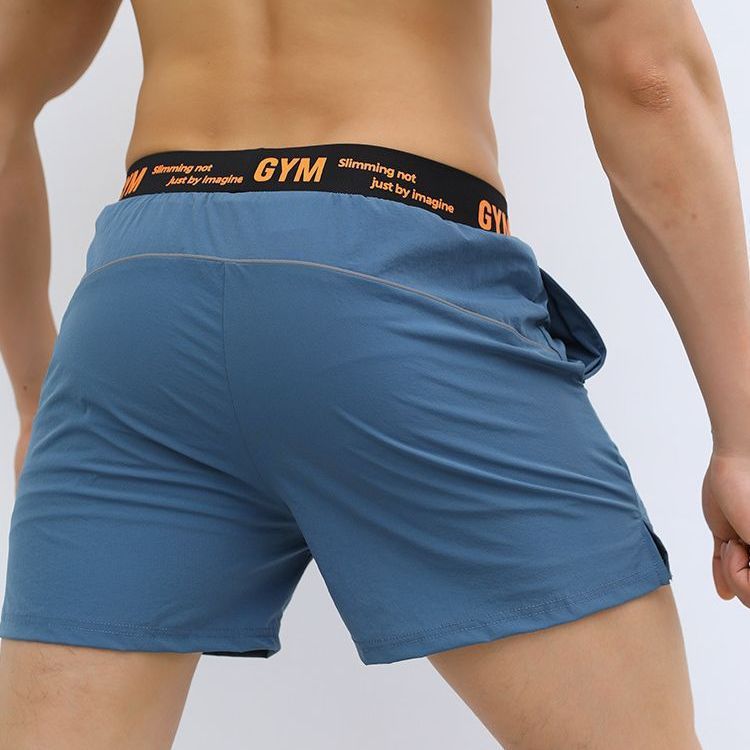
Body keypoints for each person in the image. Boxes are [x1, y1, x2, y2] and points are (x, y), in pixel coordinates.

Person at [0, 0, 746, 747]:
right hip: (389, 276)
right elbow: (647, 75)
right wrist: (742, 438)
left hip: (141, 299)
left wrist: (37, 393)